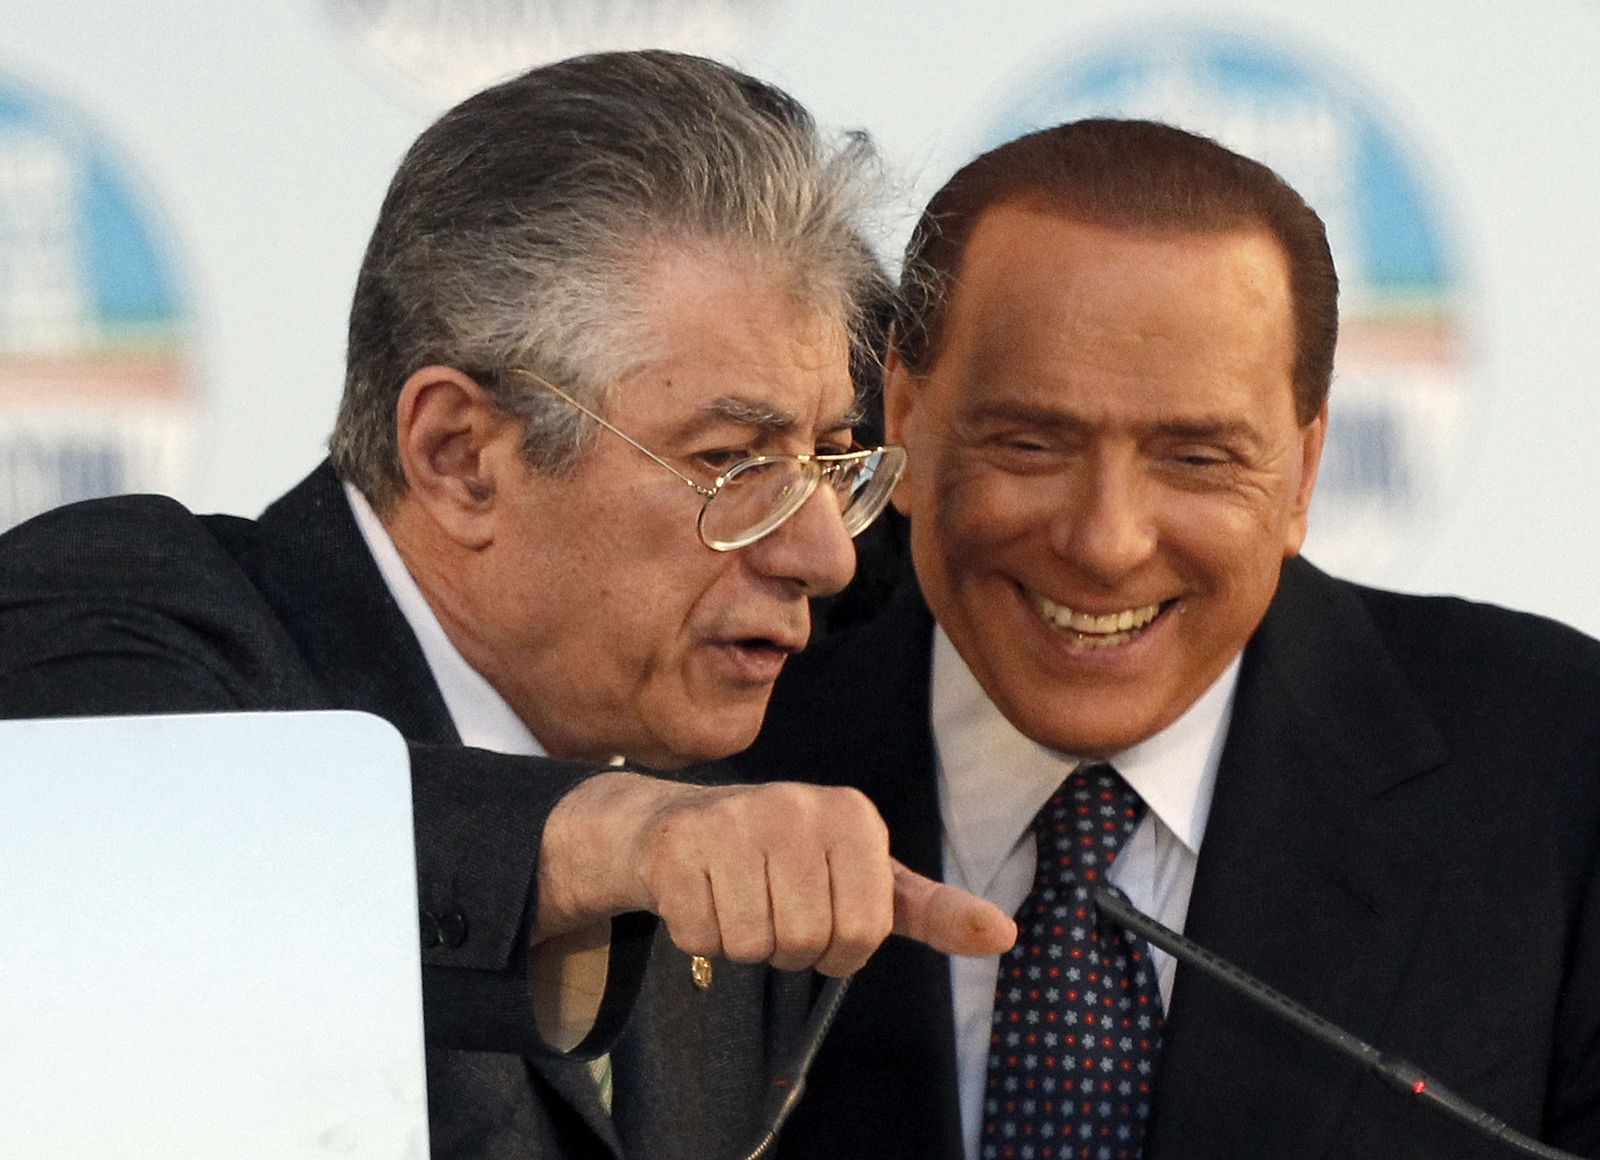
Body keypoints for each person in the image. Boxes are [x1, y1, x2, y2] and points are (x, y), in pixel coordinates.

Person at [0, 51, 1013, 1160]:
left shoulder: (704, 820)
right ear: (459, 456)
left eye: (828, 461)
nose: (820, 551)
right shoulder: (118, 609)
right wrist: (621, 836)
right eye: (733, 462)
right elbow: (144, 851)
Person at [741, 118, 1600, 1159]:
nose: (1105, 542)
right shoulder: (722, 752)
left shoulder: (1557, 769)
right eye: (1031, 442)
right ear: (907, 422)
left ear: (1303, 471)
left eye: (1195, 458)